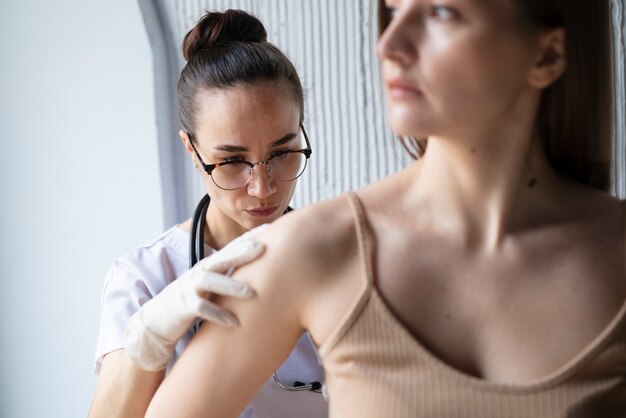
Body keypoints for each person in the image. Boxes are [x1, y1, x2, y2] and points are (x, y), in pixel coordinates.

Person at [146, 0, 626, 417]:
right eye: (394, 12)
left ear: (546, 53)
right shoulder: (308, 251)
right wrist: (141, 346)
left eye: (441, 12)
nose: (389, 44)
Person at [88, 10, 327, 418]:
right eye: (232, 161)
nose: (263, 187)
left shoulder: (338, 258)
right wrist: (148, 341)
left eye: (283, 153)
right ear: (192, 150)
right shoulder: (145, 277)